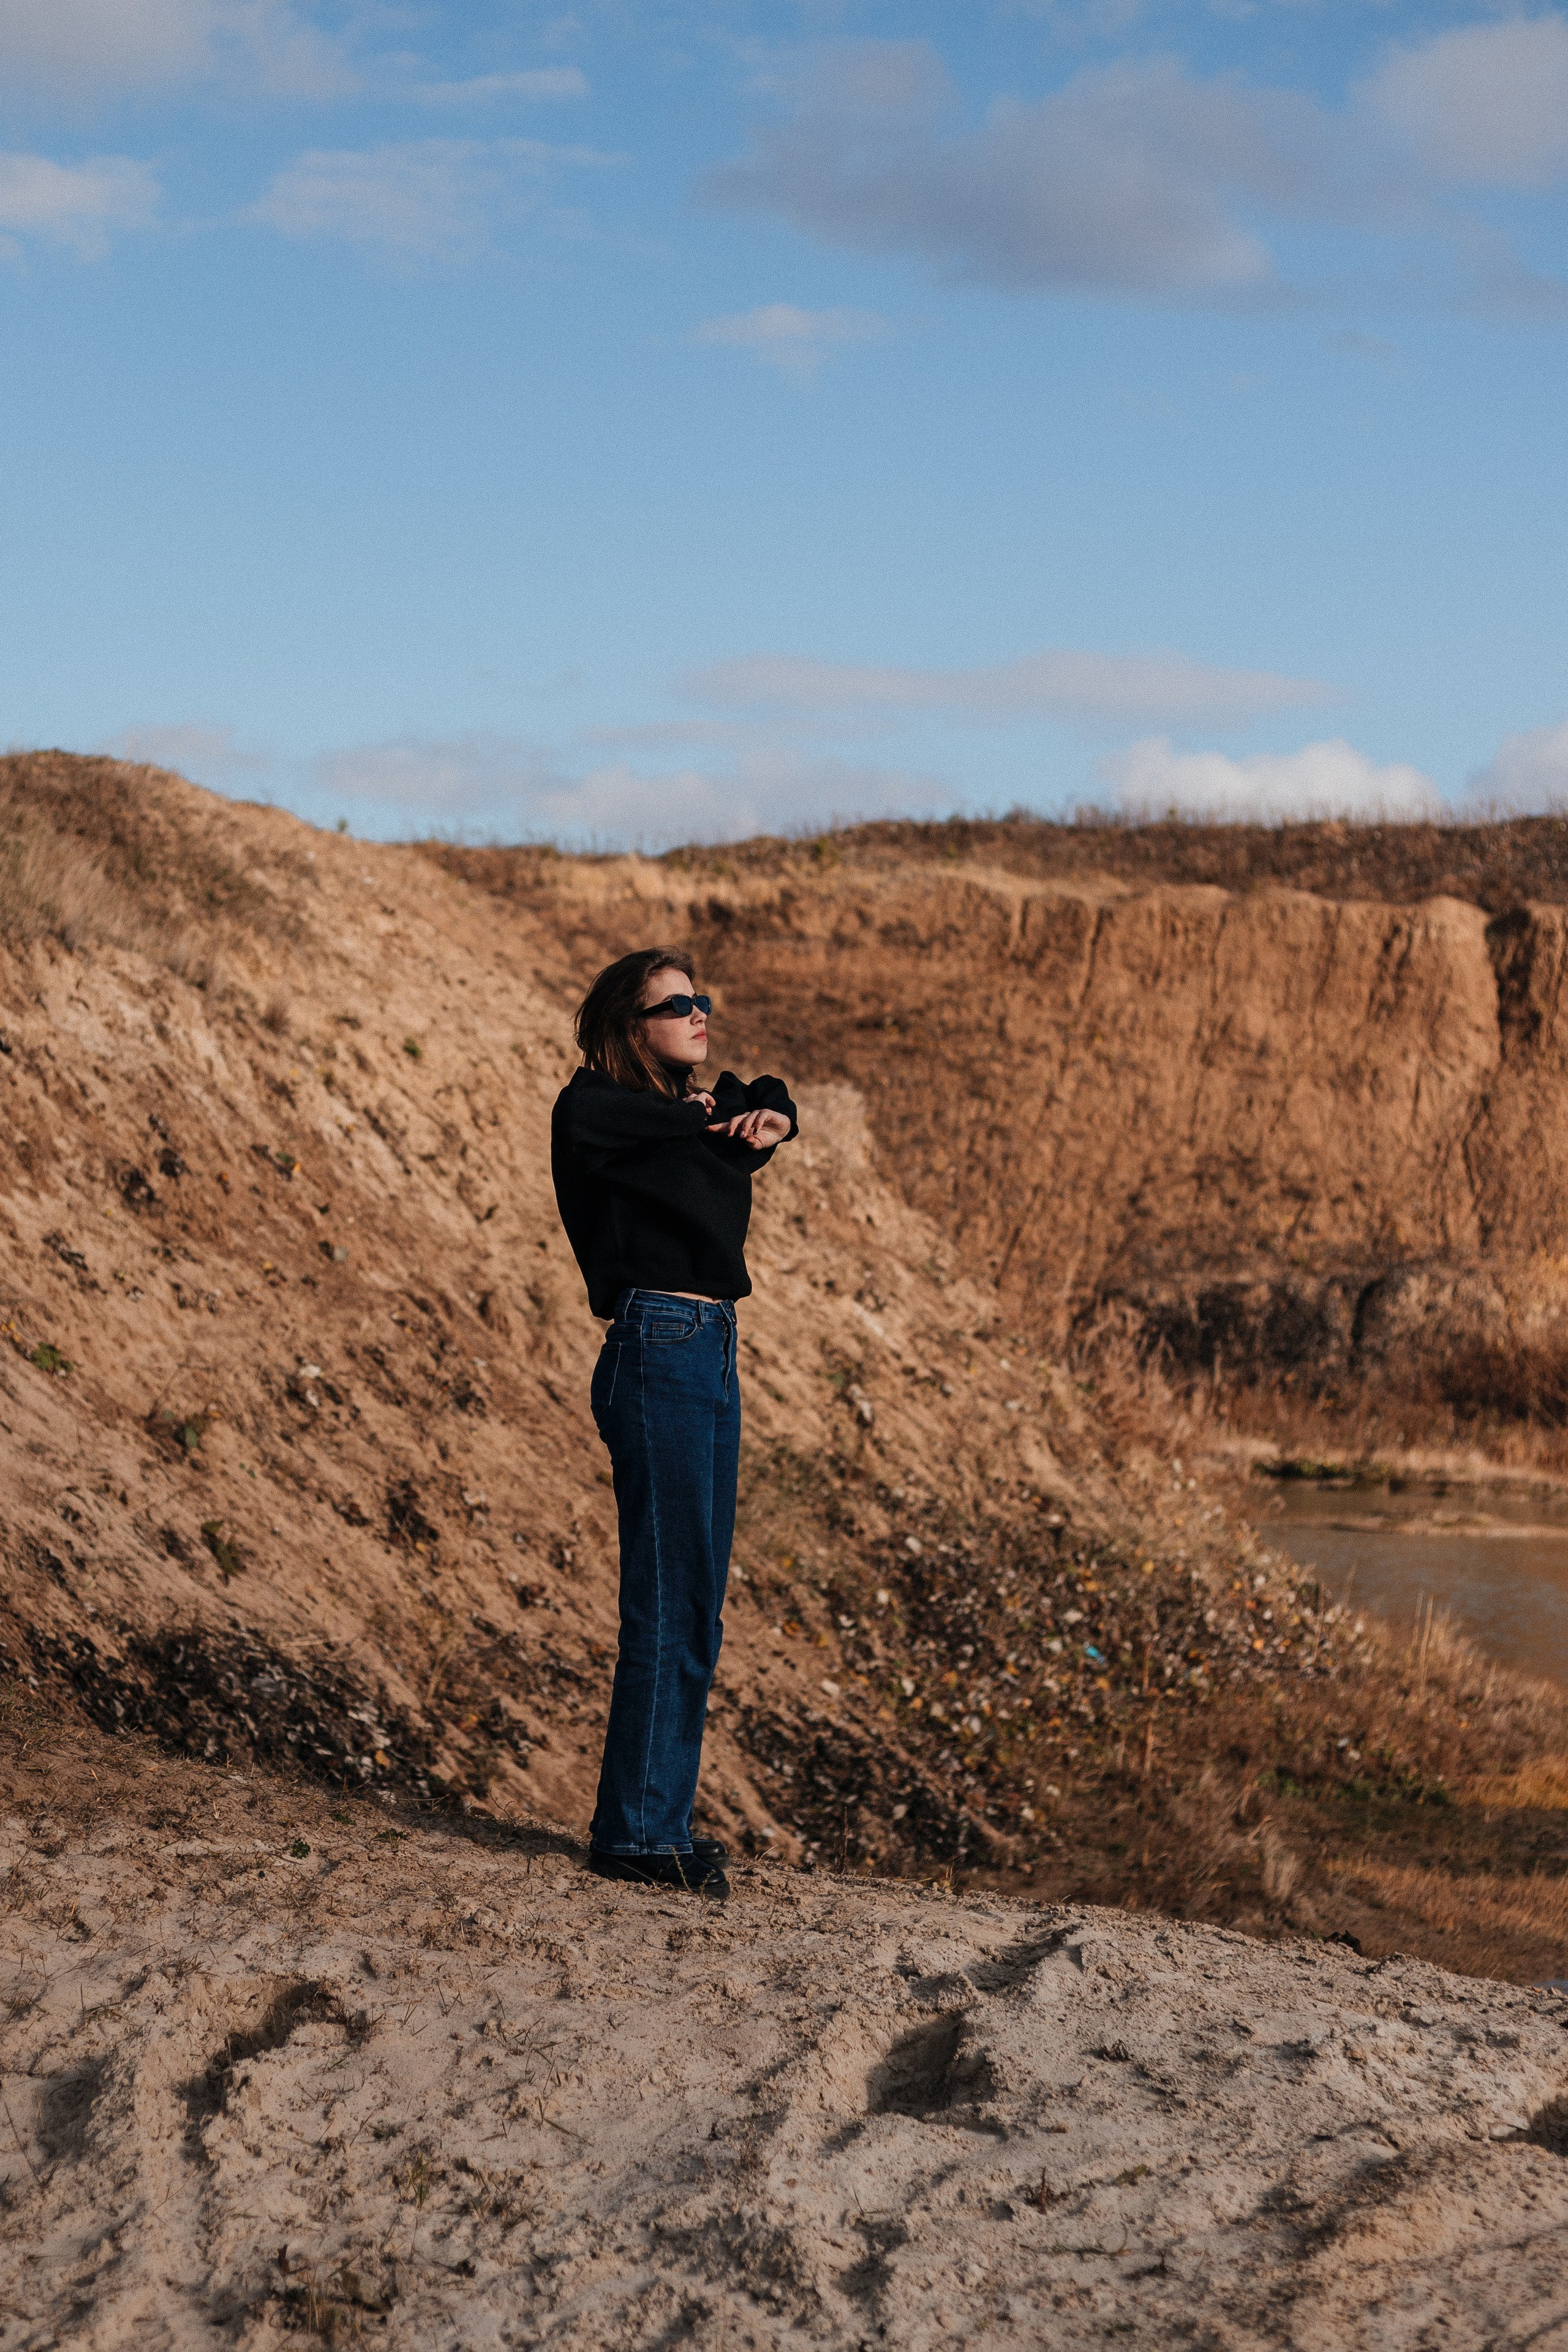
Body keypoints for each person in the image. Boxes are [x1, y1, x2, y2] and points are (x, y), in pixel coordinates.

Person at [551, 948, 797, 1901]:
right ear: (630, 1024)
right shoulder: (598, 1110)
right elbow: (647, 1115)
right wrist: (719, 1117)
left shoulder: (691, 1116)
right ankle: (639, 1835)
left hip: (708, 1347)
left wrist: (773, 1115)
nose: (701, 1014)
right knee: (666, 1599)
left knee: (694, 1601)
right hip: (659, 1344)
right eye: (677, 1004)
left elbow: (761, 1097)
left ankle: (654, 1822)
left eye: (703, 999)